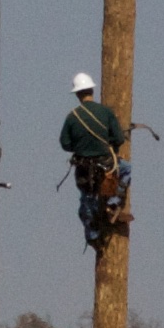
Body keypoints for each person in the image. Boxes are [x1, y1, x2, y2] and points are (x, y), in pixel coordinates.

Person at [61, 71, 133, 250]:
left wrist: (82, 147)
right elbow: (118, 139)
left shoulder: (72, 117)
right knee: (125, 169)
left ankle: (93, 236)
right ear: (92, 90)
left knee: (87, 199)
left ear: (77, 94)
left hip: (84, 170)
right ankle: (113, 202)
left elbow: (65, 143)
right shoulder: (105, 112)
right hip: (107, 165)